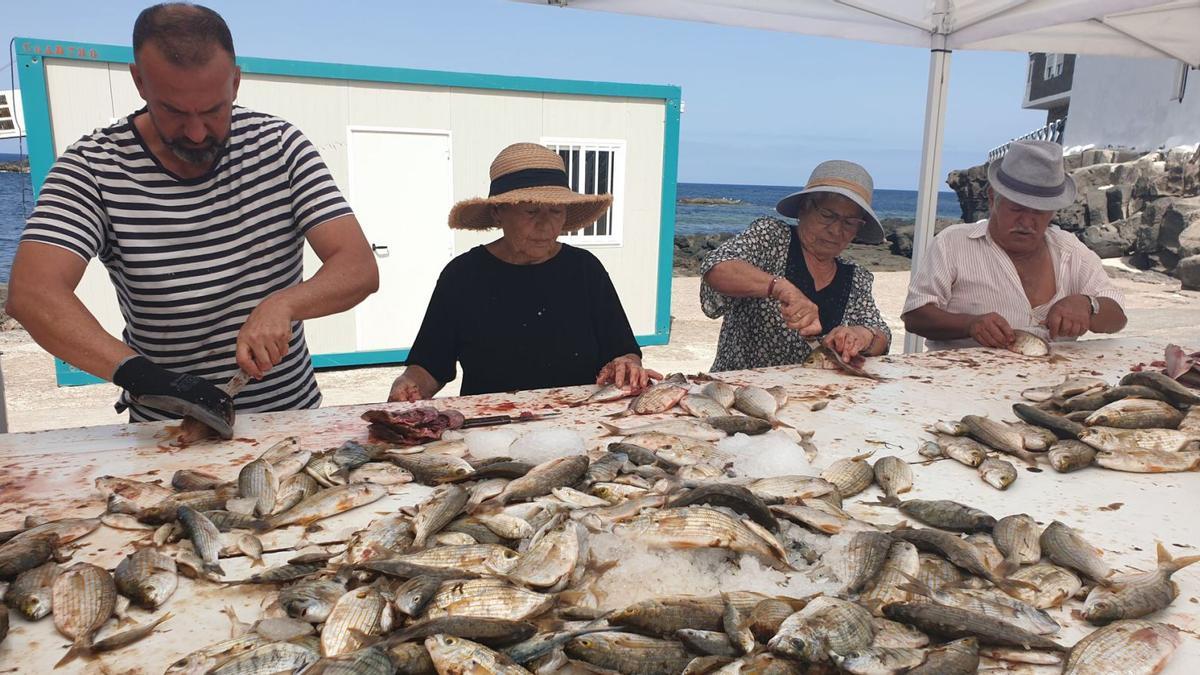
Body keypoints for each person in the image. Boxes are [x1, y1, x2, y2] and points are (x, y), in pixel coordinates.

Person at [6, 3, 378, 425]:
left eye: (214, 110)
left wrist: (286, 303)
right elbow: (33, 294)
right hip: (165, 426)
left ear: (235, 83)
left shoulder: (280, 147)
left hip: (288, 417)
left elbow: (358, 266)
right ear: (139, 81)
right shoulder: (92, 167)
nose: (198, 133)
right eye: (175, 112)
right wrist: (145, 377)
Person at [388, 143, 656, 401]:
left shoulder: (585, 269)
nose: (545, 224)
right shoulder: (463, 275)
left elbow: (622, 351)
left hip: (577, 418)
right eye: (531, 211)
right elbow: (430, 365)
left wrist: (627, 364)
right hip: (491, 424)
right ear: (497, 213)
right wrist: (410, 384)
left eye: (555, 211)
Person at [902, 140, 1126, 350]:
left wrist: (1088, 304)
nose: (1027, 222)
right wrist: (969, 325)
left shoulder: (1070, 250)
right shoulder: (952, 243)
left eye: (1039, 212)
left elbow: (1118, 317)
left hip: (1055, 382)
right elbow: (915, 316)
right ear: (992, 199)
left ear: (1053, 212)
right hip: (962, 383)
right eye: (1016, 209)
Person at [700, 160, 892, 371]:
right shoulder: (772, 238)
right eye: (828, 215)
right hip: (743, 393)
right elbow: (717, 266)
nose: (836, 231)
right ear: (804, 209)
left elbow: (881, 334)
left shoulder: (855, 277)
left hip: (818, 395)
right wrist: (781, 288)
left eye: (849, 223)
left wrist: (863, 336)